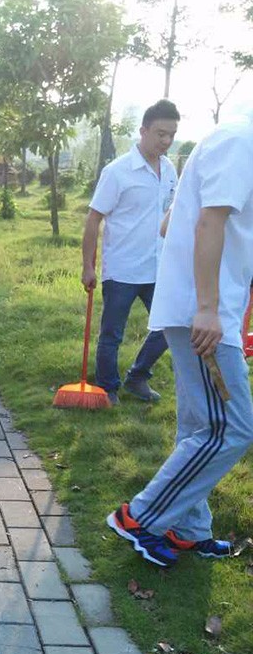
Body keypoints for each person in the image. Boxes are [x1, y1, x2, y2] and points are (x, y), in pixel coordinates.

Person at [108, 119, 253, 567]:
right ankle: (139, 518)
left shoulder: (228, 140)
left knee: (198, 428)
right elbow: (208, 222)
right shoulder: (242, 143)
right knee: (231, 427)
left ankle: (188, 529)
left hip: (200, 308)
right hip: (205, 317)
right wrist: (208, 307)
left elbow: (173, 223)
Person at [82, 100, 180, 405]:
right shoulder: (117, 171)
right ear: (144, 130)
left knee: (170, 327)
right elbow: (94, 218)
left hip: (158, 268)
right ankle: (108, 389)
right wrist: (88, 266)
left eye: (171, 135)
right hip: (122, 268)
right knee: (112, 334)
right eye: (160, 134)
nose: (166, 141)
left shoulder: (170, 170)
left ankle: (137, 376)